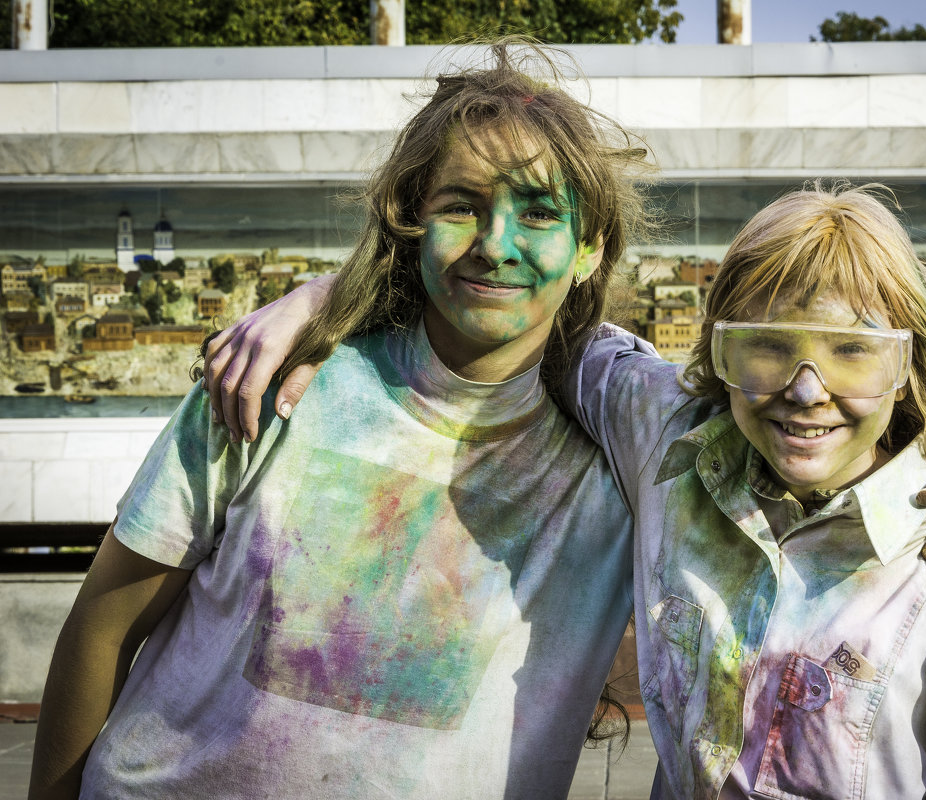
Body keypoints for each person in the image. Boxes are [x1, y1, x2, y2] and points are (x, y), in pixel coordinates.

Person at [30, 40, 648, 799]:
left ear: (590, 248)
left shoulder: (621, 457)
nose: (495, 245)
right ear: (413, 223)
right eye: (461, 206)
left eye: (540, 212)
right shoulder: (273, 386)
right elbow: (104, 622)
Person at [568, 185, 926, 798]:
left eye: (851, 351)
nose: (808, 391)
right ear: (721, 352)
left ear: (904, 373)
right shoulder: (666, 445)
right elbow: (555, 344)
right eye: (768, 346)